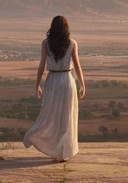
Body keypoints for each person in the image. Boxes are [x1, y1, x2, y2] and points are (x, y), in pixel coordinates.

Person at [23, 15, 85, 162]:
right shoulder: (72, 43)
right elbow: (77, 65)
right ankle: (62, 152)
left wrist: (37, 84)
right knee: (66, 117)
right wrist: (82, 84)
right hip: (67, 81)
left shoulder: (46, 43)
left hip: (52, 81)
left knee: (51, 115)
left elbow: (41, 65)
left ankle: (56, 151)